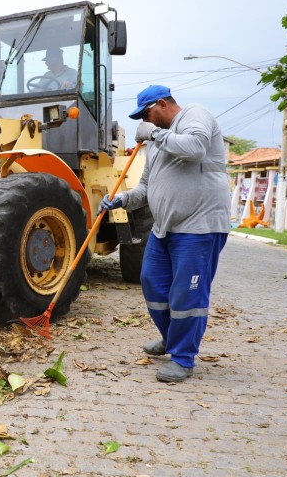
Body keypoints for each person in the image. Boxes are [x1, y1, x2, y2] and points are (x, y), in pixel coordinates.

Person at [98, 85, 230, 383]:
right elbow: (146, 187)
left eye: (146, 115)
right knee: (151, 283)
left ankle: (182, 358)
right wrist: (121, 200)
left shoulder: (195, 115)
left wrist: (154, 134)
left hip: (199, 227)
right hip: (165, 228)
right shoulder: (157, 144)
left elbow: (196, 148)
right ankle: (172, 338)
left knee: (187, 295)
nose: (145, 122)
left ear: (161, 104)